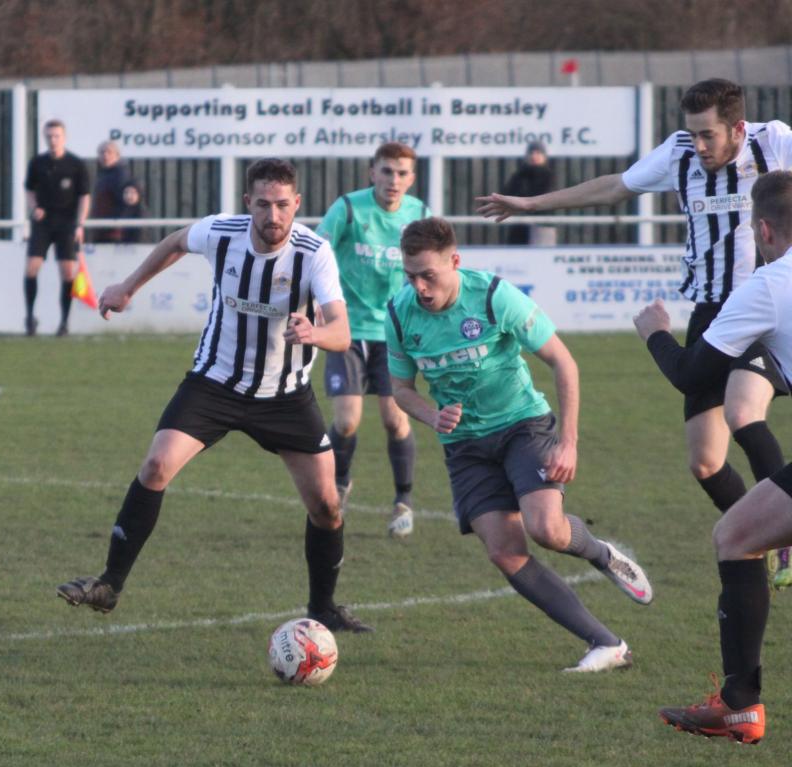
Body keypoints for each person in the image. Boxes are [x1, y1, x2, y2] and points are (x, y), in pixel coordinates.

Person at [56, 157, 371, 634]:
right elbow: (175, 242)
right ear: (248, 203)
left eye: (282, 204)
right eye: (262, 204)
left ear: (297, 203)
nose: (273, 215)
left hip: (285, 395)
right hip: (215, 383)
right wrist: (128, 287)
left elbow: (342, 333)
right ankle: (109, 584)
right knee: (156, 466)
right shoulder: (222, 232)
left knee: (327, 506)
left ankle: (323, 607)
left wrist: (316, 333)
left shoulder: (314, 253)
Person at [477, 79, 792, 533]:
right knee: (705, 461)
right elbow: (615, 187)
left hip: (763, 305)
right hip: (711, 311)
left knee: (742, 414)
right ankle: (759, 530)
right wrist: (531, 203)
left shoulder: (774, 142)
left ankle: (779, 535)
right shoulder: (679, 153)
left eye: (708, 134)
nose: (699, 145)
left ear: (738, 128)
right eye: (693, 133)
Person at [387, 217, 653, 672]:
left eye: (428, 275)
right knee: (504, 551)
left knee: (547, 530)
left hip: (522, 426)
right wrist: (432, 416)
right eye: (410, 276)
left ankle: (601, 554)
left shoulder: (494, 297)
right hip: (465, 447)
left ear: (455, 261)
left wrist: (568, 442)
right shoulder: (398, 313)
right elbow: (401, 389)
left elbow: (563, 363)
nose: (420, 287)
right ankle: (606, 644)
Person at [636, 170, 792, 744]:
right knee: (739, 532)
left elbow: (690, 375)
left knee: (735, 537)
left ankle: (740, 705)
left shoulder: (769, 284)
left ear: (763, 231)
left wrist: (655, 332)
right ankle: (738, 704)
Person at [316, 142, 430, 537]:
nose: (393, 180)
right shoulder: (348, 209)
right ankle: (340, 482)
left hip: (394, 333)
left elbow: (436, 267)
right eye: (386, 171)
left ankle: (403, 501)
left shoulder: (420, 216)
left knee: (395, 419)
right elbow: (316, 253)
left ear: (411, 179)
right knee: (347, 421)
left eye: (402, 173)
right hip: (346, 330)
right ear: (372, 173)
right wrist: (316, 303)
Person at [24, 119, 90, 336]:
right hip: (43, 223)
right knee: (32, 267)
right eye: (49, 136)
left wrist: (80, 224)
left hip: (67, 223)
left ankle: (64, 322)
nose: (53, 140)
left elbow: (84, 197)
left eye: (57, 136)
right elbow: (29, 190)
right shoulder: (37, 163)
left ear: (64, 137)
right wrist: (34, 208)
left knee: (68, 272)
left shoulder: (76, 164)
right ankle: (30, 317)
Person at [500, 141, 555, 246]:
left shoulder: (549, 176)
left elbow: (542, 199)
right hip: (519, 225)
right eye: (531, 153)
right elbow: (507, 194)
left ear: (544, 156)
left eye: (538, 153)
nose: (534, 156)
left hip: (542, 225)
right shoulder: (519, 175)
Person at [89, 140, 132, 244]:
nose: (105, 155)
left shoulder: (120, 175)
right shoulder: (103, 174)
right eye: (102, 152)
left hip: (114, 229)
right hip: (102, 227)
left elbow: (123, 203)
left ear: (117, 155)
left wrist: (117, 225)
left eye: (109, 152)